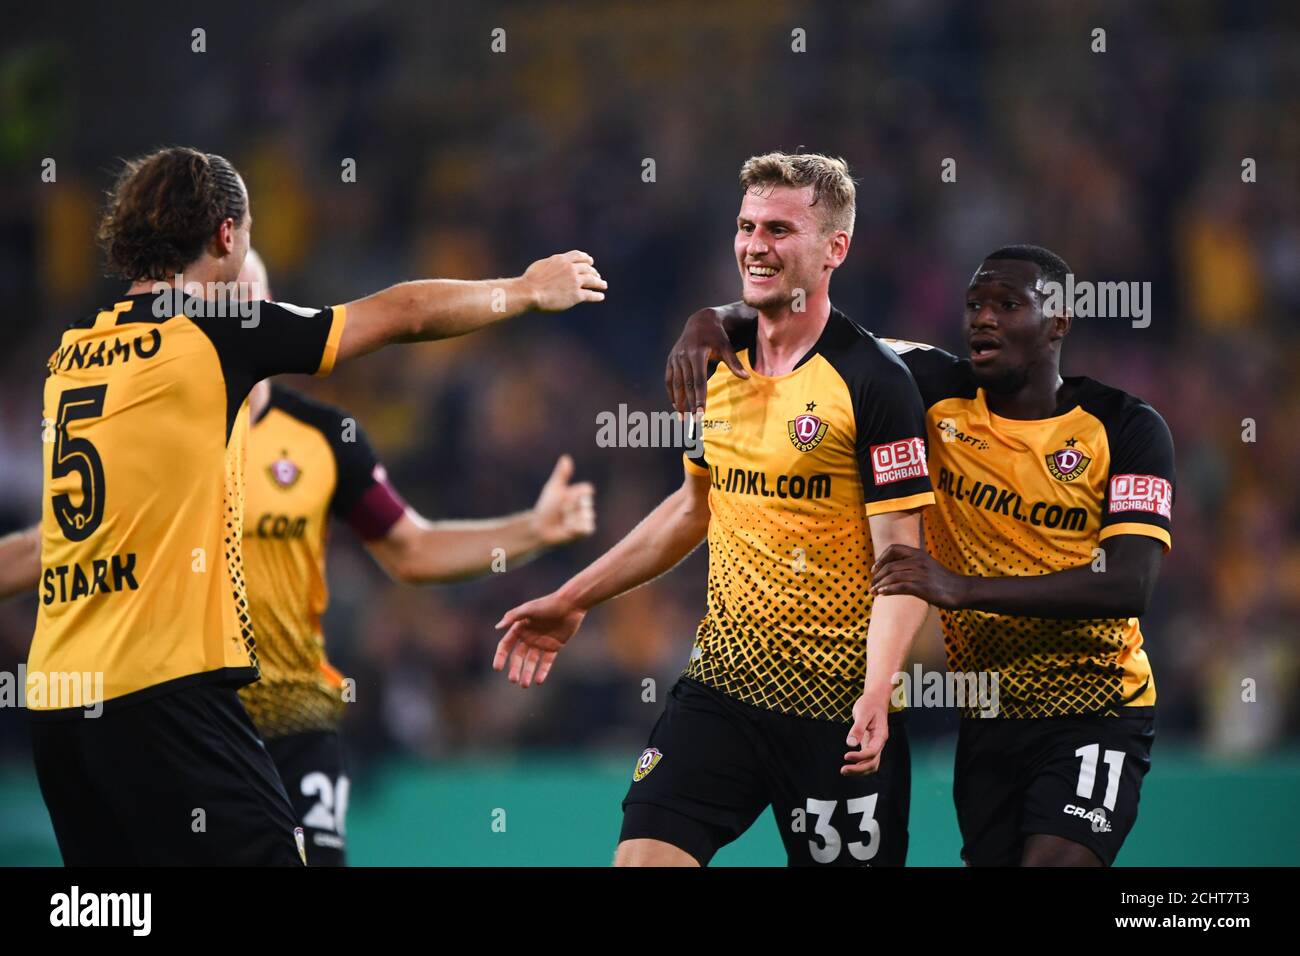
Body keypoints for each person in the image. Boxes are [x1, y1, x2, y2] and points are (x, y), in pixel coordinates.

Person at [23, 145, 605, 865]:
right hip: (164, 690)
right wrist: (522, 289)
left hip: (57, 699)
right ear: (226, 235)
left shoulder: (71, 356)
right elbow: (401, 313)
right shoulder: (210, 333)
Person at [668, 243, 1173, 866]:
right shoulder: (929, 387)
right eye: (974, 305)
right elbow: (814, 322)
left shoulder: (1126, 428)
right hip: (988, 715)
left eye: (1007, 305)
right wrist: (710, 319)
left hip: (1098, 708)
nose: (982, 319)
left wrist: (960, 588)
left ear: (1061, 320)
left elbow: (1129, 583)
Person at [494, 152, 933, 866]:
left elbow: (902, 561)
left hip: (840, 708)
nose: (756, 245)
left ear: (835, 249)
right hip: (723, 688)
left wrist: (880, 690)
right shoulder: (716, 367)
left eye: (781, 229)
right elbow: (695, 508)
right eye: (746, 226)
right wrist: (575, 598)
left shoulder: (876, 382)